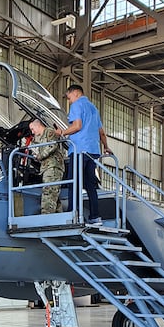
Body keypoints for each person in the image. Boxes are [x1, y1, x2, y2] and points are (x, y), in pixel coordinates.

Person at [55, 84, 112, 226]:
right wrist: (106, 146)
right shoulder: (93, 108)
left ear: (75, 93)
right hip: (93, 151)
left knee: (73, 183)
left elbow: (77, 126)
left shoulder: (76, 106)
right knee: (90, 184)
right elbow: (101, 132)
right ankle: (95, 217)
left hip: (80, 149)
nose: (69, 101)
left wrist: (62, 132)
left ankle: (73, 214)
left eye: (69, 98)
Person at [29, 119, 65, 214]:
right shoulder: (38, 138)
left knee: (49, 191)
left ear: (38, 125)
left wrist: (40, 156)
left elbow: (52, 145)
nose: (33, 132)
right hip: (46, 167)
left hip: (53, 166)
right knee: (53, 193)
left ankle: (46, 215)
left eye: (33, 129)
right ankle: (58, 214)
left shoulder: (49, 132)